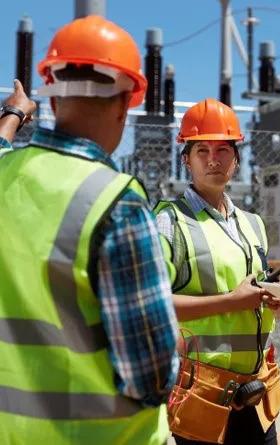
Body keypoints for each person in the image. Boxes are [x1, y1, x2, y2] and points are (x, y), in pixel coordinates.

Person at [0, 16, 178, 445]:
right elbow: (150, 376)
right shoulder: (117, 202)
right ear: (123, 104)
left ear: (54, 103)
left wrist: (12, 115)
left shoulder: (6, 173)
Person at [154, 98, 280, 445]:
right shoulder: (169, 221)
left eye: (223, 150)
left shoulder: (253, 224)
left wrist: (270, 297)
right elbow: (154, 305)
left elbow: (251, 290)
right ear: (186, 159)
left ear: (236, 159)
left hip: (257, 392)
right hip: (203, 394)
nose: (214, 159)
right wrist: (232, 301)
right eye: (202, 151)